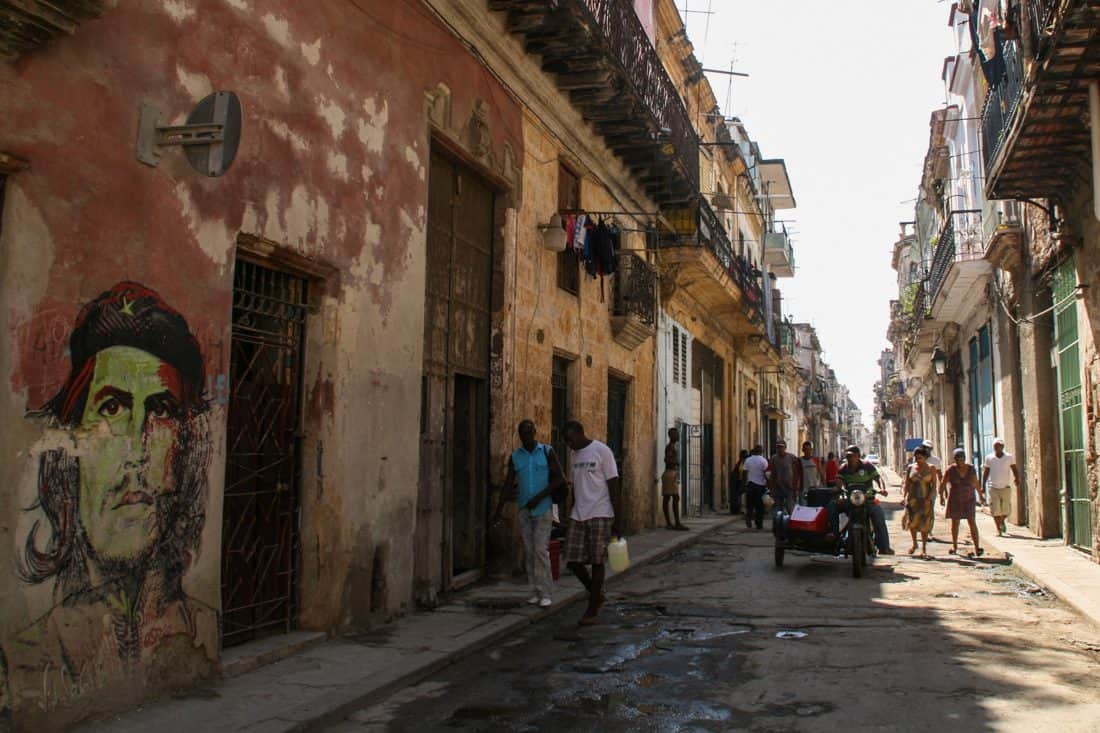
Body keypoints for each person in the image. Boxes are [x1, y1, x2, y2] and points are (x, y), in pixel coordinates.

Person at [3, 282, 217, 715]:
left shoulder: (202, 628)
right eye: (113, 409)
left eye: (159, 411)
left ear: (183, 450)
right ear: (68, 452)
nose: (137, 449)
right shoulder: (24, 661)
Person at [492, 420, 566, 608]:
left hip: (543, 508)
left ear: (534, 432)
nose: (526, 436)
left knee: (541, 550)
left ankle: (546, 591)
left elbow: (559, 479)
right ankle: (534, 590)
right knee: (529, 550)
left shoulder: (547, 452)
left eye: (528, 432)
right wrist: (499, 510)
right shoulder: (516, 457)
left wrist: (540, 497)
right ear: (519, 435)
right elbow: (509, 484)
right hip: (525, 509)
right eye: (522, 433)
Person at [562, 420, 621, 626]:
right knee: (572, 560)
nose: (569, 444)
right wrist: (569, 512)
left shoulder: (602, 451)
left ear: (579, 433)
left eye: (570, 440)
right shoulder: (574, 455)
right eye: (567, 442)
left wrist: (617, 519)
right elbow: (575, 486)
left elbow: (613, 484)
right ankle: (595, 593)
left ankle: (593, 606)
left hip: (600, 512)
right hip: (578, 514)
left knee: (597, 561)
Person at [835, 446, 894, 555]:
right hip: (851, 500)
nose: (849, 458)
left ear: (857, 456)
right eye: (847, 456)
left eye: (851, 456)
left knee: (878, 515)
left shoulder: (867, 466)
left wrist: (882, 488)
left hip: (867, 500)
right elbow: (839, 479)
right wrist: (841, 488)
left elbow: (878, 478)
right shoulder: (843, 468)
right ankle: (834, 537)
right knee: (832, 507)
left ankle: (884, 546)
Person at [939, 448, 984, 557]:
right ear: (955, 460)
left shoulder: (971, 469)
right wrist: (941, 496)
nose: (960, 462)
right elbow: (943, 483)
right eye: (958, 459)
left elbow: (975, 482)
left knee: (972, 522)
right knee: (955, 523)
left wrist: (981, 495)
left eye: (962, 459)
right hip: (955, 500)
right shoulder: (950, 470)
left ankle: (977, 547)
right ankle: (954, 546)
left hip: (968, 499)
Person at [903, 447, 938, 557]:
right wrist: (904, 497)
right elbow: (907, 484)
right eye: (916, 457)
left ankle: (924, 548)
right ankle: (914, 543)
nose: (918, 460)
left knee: (925, 524)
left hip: (925, 499)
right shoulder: (911, 468)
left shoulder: (931, 468)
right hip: (913, 499)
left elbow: (934, 486)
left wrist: (930, 499)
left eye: (920, 457)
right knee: (912, 522)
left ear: (926, 457)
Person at [982, 437, 1020, 537]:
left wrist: (1017, 478)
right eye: (995, 446)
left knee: (1006, 510)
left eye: (999, 445)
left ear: (1002, 447)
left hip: (1005, 487)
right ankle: (998, 528)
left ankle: (1002, 521)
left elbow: (1014, 468)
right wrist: (983, 485)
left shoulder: (1009, 457)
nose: (997, 447)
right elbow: (986, 472)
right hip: (993, 487)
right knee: (995, 510)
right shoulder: (989, 458)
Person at [661, 427, 688, 531]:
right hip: (670, 474)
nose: (678, 436)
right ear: (671, 436)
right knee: (675, 498)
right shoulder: (670, 447)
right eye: (676, 434)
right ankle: (675, 523)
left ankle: (670, 523)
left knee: (668, 498)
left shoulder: (672, 446)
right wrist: (675, 462)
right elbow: (667, 459)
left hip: (671, 473)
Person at [768, 440, 802, 513]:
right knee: (778, 509)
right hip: (778, 486)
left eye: (781, 447)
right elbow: (773, 473)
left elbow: (797, 471)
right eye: (778, 447)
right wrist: (771, 487)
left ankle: (791, 522)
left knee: (790, 507)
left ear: (785, 448)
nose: (780, 449)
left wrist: (796, 484)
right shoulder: (774, 458)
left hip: (789, 487)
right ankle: (779, 523)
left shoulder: (791, 457)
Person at [742, 445, 769, 529]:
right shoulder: (764, 461)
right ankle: (759, 523)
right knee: (759, 506)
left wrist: (744, 484)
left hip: (750, 485)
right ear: (762, 451)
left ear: (753, 451)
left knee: (750, 505)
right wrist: (768, 484)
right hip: (760, 486)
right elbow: (766, 474)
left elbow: (744, 473)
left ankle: (749, 518)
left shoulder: (748, 460)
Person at [731, 449, 749, 516]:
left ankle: (743, 509)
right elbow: (735, 472)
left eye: (744, 457)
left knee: (743, 496)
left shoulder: (746, 463)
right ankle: (739, 509)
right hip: (739, 481)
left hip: (745, 481)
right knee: (740, 496)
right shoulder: (739, 463)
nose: (743, 458)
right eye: (742, 456)